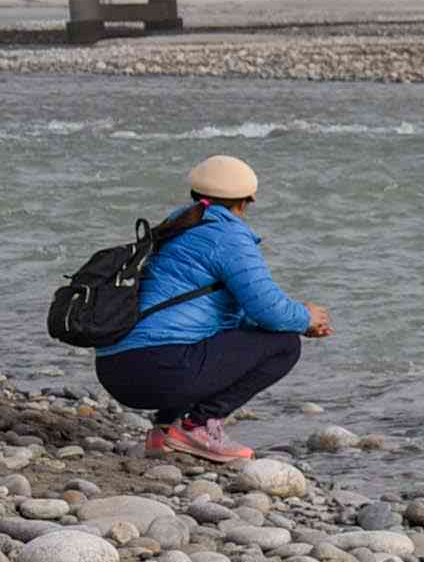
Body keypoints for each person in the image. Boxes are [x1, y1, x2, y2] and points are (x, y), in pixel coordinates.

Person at [93, 156, 332, 463]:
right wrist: (305, 317)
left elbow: (223, 313)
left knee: (219, 333)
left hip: (116, 369)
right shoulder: (228, 236)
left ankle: (165, 430)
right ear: (245, 203)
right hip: (157, 369)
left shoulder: (175, 227)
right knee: (284, 345)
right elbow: (269, 311)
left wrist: (296, 319)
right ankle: (198, 426)